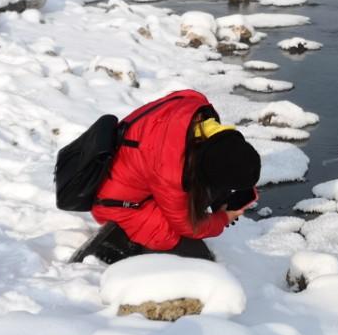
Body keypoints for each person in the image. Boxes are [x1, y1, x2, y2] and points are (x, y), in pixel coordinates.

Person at [70, 89, 261, 264]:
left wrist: (221, 196)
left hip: (133, 176)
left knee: (201, 191)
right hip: (117, 205)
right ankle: (114, 241)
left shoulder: (198, 110)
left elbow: (221, 160)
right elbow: (189, 225)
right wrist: (222, 219)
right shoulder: (170, 170)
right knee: (187, 249)